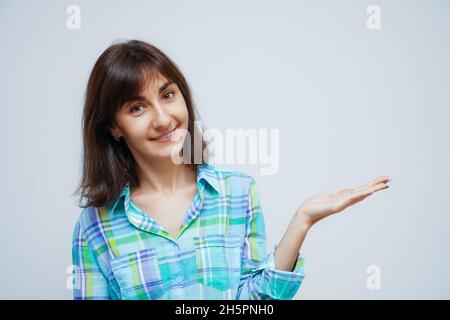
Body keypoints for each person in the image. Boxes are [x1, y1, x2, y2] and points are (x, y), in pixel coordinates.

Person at [71, 39, 390, 300]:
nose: (163, 119)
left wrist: (301, 221)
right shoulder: (94, 227)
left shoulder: (238, 192)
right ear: (114, 126)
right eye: (137, 107)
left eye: (168, 95)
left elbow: (254, 303)